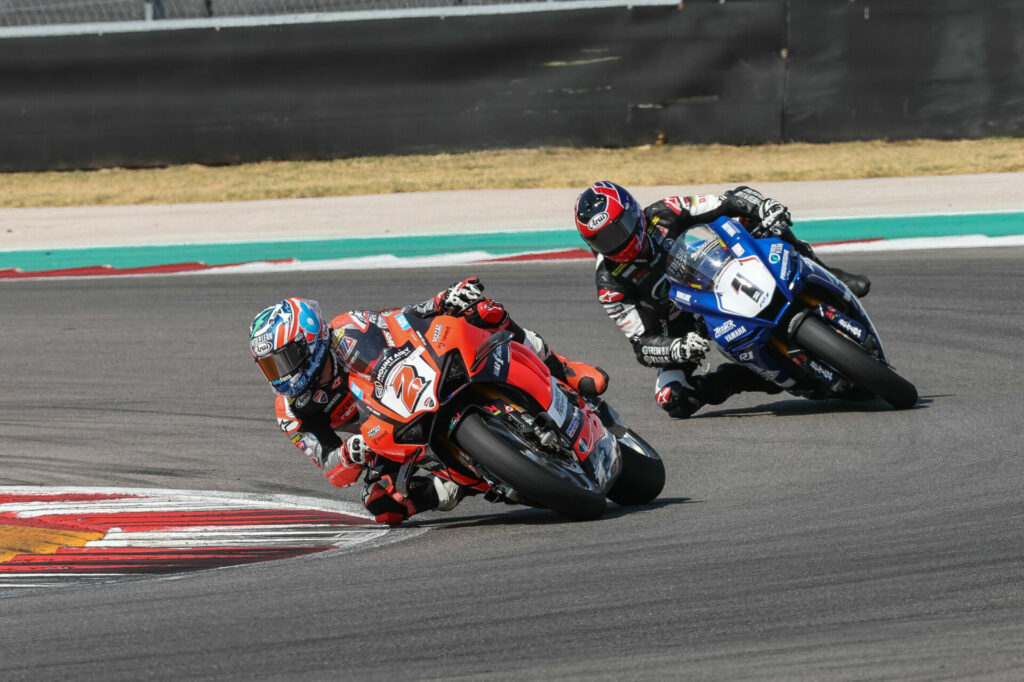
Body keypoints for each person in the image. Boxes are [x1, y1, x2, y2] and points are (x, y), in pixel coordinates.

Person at [249, 279, 608, 525]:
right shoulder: (291, 410)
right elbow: (330, 467)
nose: (279, 374)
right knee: (381, 506)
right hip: (384, 436)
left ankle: (561, 368)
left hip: (415, 383)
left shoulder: (349, 328)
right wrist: (350, 454)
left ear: (310, 339)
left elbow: (403, 319)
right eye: (269, 366)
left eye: (284, 359)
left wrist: (442, 301)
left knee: (484, 311)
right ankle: (455, 484)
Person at [573, 181, 871, 419]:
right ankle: (740, 378)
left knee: (764, 224)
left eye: (620, 228)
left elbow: (728, 200)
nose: (619, 242)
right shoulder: (609, 284)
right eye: (604, 240)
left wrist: (762, 206)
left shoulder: (666, 210)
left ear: (633, 212)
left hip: (724, 266)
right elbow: (642, 345)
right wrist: (675, 349)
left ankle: (826, 272)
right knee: (673, 399)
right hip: (684, 322)